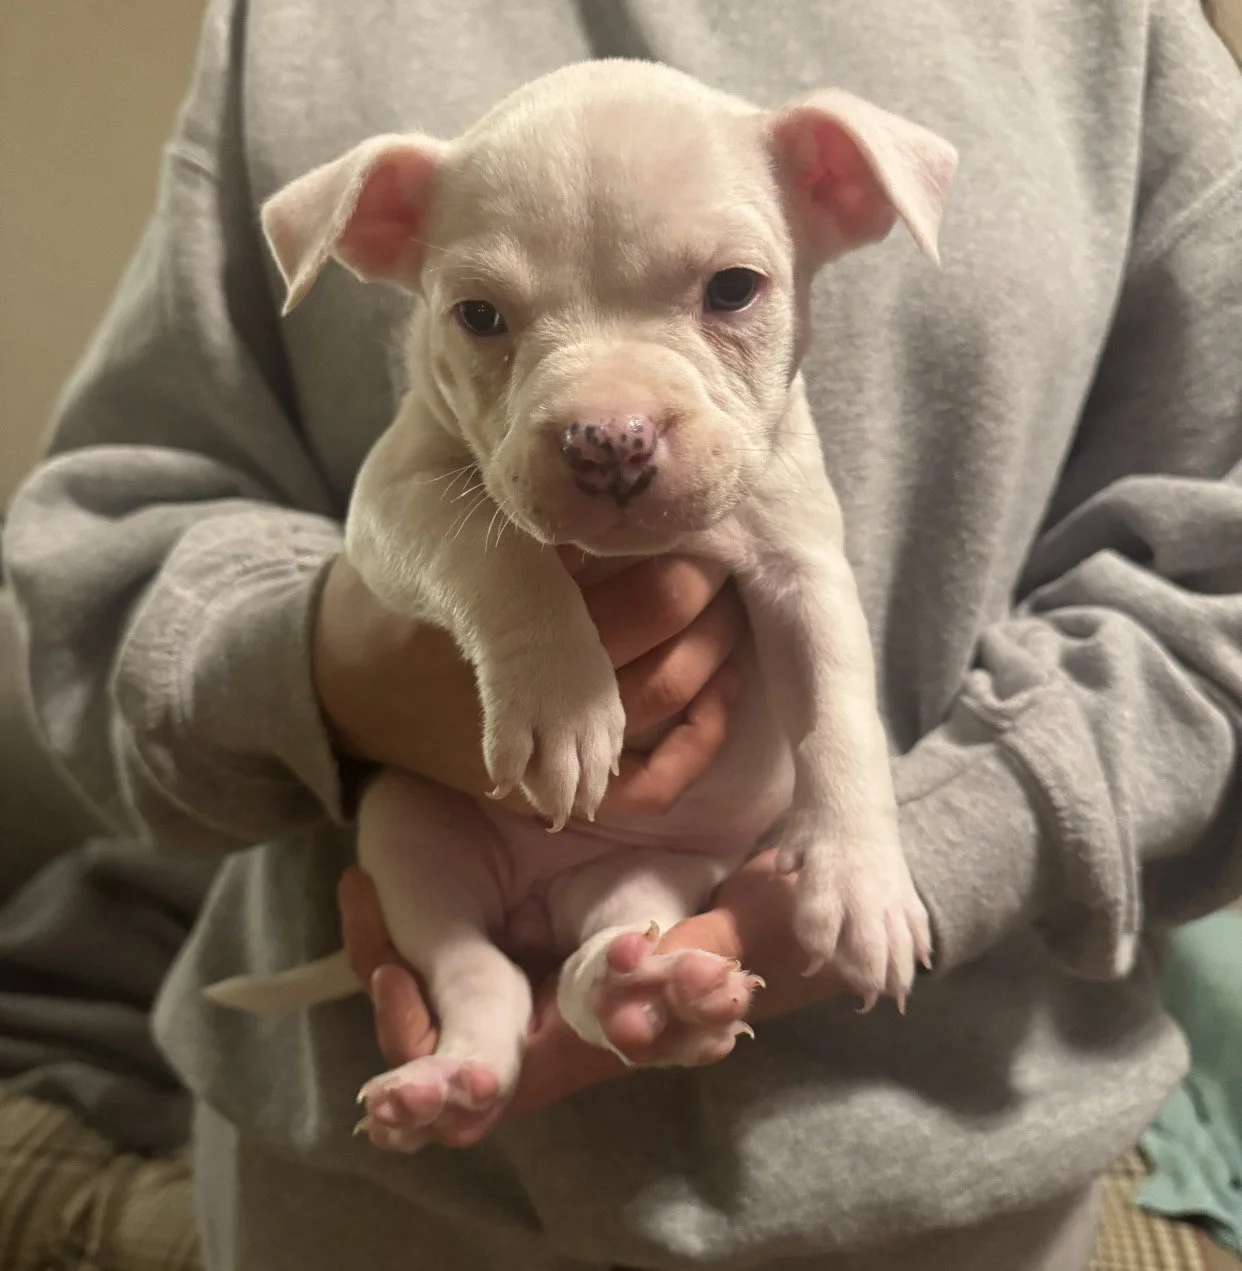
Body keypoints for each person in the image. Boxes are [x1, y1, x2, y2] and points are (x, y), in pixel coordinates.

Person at [4, 1, 1241, 1267]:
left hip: (932, 1181)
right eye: (489, 316)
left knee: (631, 918)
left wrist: (884, 847)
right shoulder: (288, 28)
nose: (606, 421)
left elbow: (1211, 597)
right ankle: (481, 1002)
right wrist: (333, 667)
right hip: (369, 1199)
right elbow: (122, 545)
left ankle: (605, 975)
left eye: (727, 292)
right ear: (385, 238)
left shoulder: (1113, 36)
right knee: (441, 879)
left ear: (845, 192)